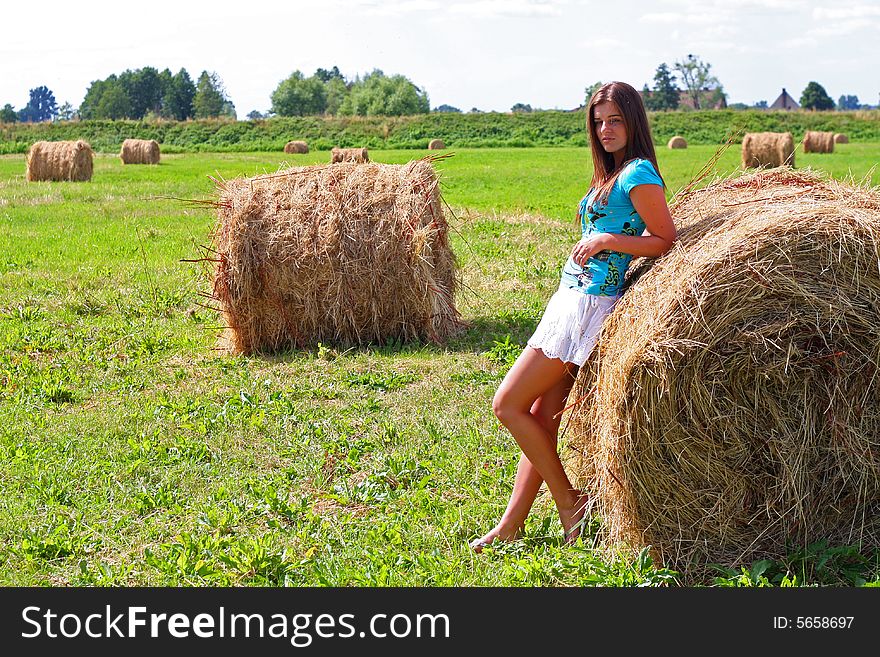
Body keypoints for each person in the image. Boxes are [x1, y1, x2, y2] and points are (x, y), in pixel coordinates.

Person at [470, 81, 677, 552]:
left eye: (615, 120)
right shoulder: (613, 172)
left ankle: (569, 502)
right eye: (599, 121)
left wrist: (607, 242)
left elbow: (665, 237)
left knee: (507, 404)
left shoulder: (639, 173)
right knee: (542, 417)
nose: (605, 129)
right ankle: (511, 523)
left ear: (633, 122)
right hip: (571, 298)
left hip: (588, 307)